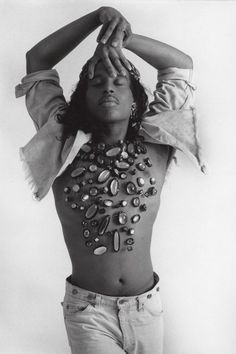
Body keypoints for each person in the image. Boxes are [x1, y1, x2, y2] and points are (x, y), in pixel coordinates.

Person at [15, 6, 205, 354]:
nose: (108, 87)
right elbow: (38, 59)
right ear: (82, 100)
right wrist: (97, 19)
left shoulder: (158, 141)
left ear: (136, 103)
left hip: (147, 309)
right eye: (97, 82)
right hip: (89, 311)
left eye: (120, 82)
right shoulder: (62, 143)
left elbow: (179, 67)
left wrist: (123, 39)